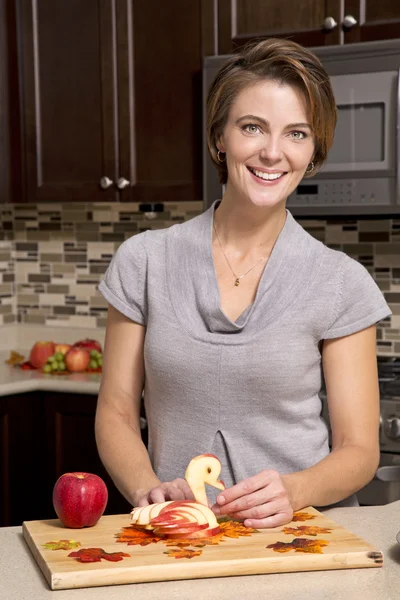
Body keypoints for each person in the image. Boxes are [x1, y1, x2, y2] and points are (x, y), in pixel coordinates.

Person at [95, 38, 391, 529]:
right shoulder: (143, 262)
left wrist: (295, 490)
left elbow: (359, 450)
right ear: (220, 138)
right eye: (252, 128)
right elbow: (117, 412)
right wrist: (148, 487)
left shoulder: (341, 283)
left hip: (304, 538)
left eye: (296, 134)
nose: (272, 153)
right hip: (180, 538)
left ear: (313, 152)